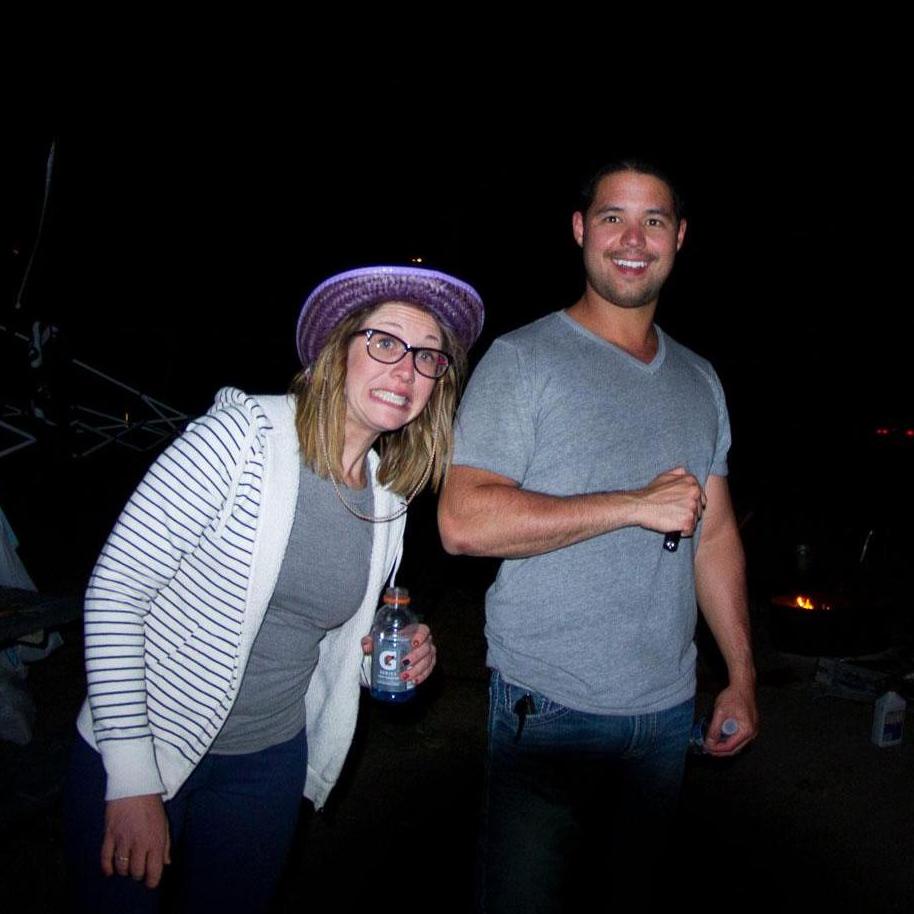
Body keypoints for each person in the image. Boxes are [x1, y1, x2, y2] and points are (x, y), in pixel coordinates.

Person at [64, 265, 484, 913]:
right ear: (338, 350)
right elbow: (115, 593)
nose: (406, 369)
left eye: (428, 356)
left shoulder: (387, 495)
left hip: (268, 762)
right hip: (146, 743)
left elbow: (331, 639)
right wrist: (131, 780)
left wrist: (386, 661)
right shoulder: (241, 439)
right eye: (384, 342)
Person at [438, 162, 758, 912]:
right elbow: (463, 523)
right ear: (581, 230)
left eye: (654, 221)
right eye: (613, 217)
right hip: (549, 708)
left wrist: (741, 675)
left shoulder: (699, 379)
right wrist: (631, 505)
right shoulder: (523, 360)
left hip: (668, 709)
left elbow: (714, 537)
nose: (633, 240)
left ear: (679, 237)